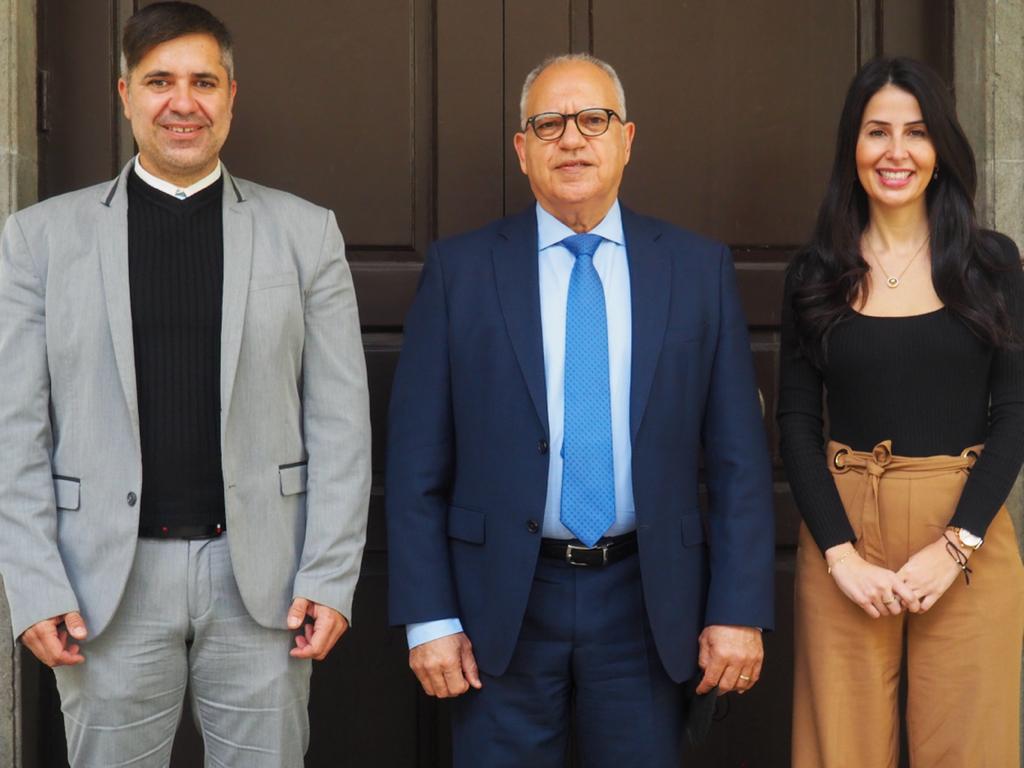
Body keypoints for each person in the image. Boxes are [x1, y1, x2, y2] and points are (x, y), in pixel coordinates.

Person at [0, 3, 371, 765]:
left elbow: (341, 423)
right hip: (105, 586)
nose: (183, 101)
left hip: (265, 589)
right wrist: (34, 586)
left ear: (232, 95)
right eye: (160, 80)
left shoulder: (306, 235)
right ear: (125, 93)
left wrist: (330, 578)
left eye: (204, 81)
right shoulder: (39, 241)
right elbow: (15, 429)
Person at [387, 53, 774, 767]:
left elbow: (738, 462)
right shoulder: (461, 272)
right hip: (499, 605)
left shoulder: (695, 269)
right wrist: (428, 618)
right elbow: (415, 463)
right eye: (549, 123)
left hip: (649, 605)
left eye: (592, 120)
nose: (572, 139)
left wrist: (738, 608)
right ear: (522, 148)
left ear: (626, 138)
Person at [779, 56, 1024, 767]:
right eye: (876, 131)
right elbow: (795, 422)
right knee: (839, 750)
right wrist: (840, 556)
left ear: (940, 149)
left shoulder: (992, 264)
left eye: (916, 133)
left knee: (970, 748)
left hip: (967, 536)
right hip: (844, 535)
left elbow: (1013, 412)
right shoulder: (814, 272)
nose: (896, 152)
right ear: (850, 148)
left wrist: (956, 546)